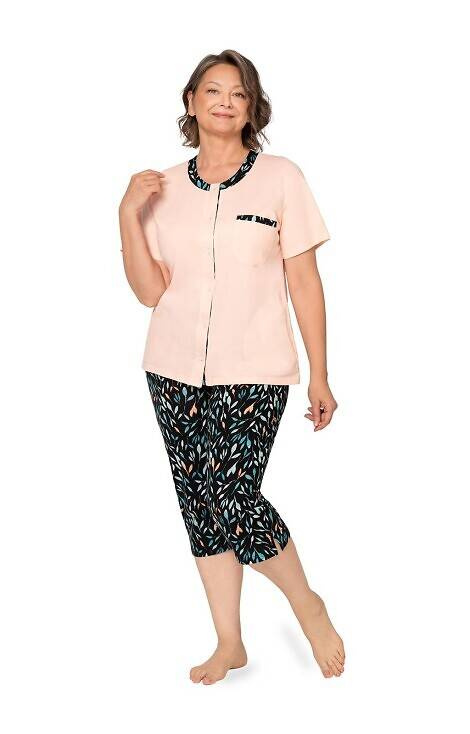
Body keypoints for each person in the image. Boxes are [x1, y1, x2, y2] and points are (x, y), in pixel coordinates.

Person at [118, 49, 345, 684]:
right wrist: (126, 214)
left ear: (252, 109)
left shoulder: (280, 177)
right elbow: (148, 291)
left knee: (232, 496)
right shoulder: (161, 186)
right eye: (213, 90)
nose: (224, 101)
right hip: (171, 367)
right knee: (199, 504)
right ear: (191, 102)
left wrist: (321, 373)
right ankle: (229, 642)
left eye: (238, 93)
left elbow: (304, 280)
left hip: (256, 366)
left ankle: (306, 603)